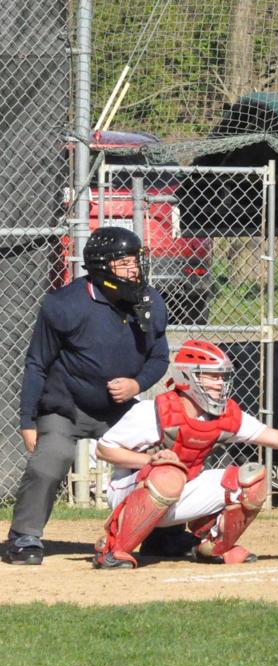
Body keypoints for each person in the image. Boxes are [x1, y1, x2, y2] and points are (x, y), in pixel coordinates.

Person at [3, 226, 168, 566]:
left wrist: (137, 386)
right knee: (51, 461)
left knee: (164, 457)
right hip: (66, 406)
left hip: (119, 409)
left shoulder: (149, 300)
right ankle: (24, 537)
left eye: (136, 260)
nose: (134, 269)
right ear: (101, 266)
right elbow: (36, 363)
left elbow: (159, 357)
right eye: (124, 262)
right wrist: (27, 420)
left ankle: (162, 533)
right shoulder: (64, 304)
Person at [93, 340, 278, 569]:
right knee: (168, 474)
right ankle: (113, 549)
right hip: (130, 491)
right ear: (188, 377)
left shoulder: (225, 415)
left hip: (176, 489)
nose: (220, 384)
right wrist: (149, 460)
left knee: (253, 480)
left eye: (222, 377)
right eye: (212, 377)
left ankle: (212, 547)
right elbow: (104, 449)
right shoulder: (153, 412)